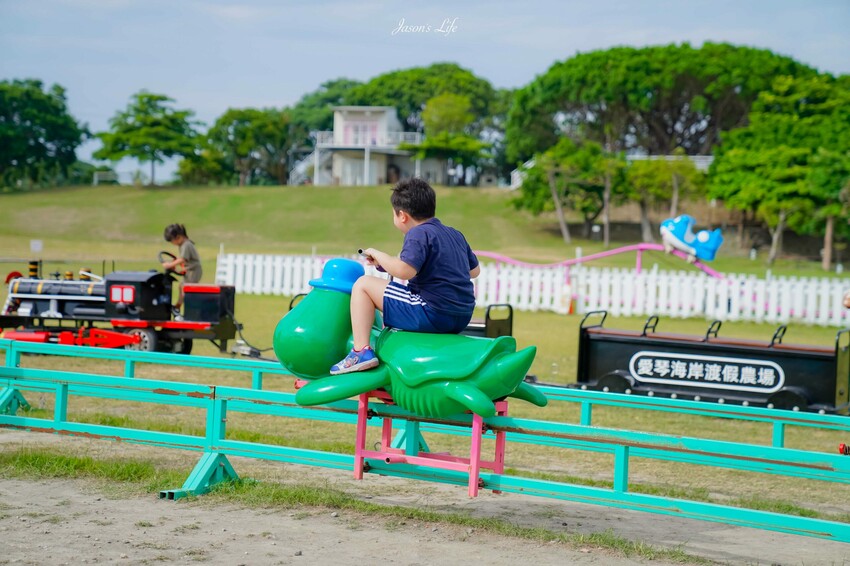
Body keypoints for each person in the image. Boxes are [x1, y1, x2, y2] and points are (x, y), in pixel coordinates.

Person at [330, 178, 480, 375]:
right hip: (461, 315)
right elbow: (474, 271)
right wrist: (386, 264)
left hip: (431, 311)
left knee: (363, 285)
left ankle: (360, 352)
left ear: (402, 215)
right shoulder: (454, 234)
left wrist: (378, 254)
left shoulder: (418, 233)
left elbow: (404, 271)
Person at [161, 224, 203, 318]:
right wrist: (175, 265)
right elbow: (183, 260)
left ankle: (187, 311)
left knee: (187, 289)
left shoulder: (186, 245)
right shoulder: (184, 245)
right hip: (189, 270)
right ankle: (177, 307)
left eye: (172, 241)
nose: (173, 243)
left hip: (193, 271)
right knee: (181, 287)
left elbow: (183, 259)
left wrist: (170, 265)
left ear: (178, 237)